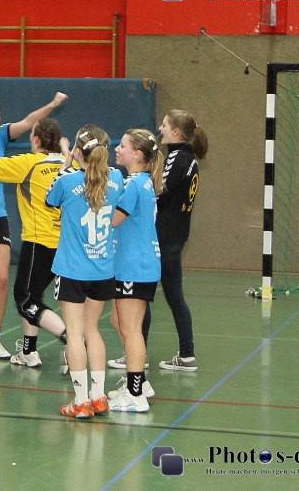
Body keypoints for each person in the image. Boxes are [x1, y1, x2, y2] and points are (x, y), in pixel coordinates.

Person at [0, 90, 69, 360]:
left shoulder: (28, 163)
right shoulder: (67, 164)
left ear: (35, 140)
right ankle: (29, 350)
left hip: (40, 242)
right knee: (37, 295)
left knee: (26, 300)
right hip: (66, 244)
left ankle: (70, 338)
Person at [46, 125, 123, 419]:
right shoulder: (116, 178)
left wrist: (67, 164)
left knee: (75, 334)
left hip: (72, 270)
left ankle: (80, 401)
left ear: (78, 151)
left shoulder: (67, 180)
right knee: (93, 330)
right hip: (102, 269)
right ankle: (99, 396)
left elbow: (50, 200)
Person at [108, 129, 163, 413]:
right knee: (118, 322)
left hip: (135, 266)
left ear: (138, 154)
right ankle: (140, 380)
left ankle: (135, 393)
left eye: (123, 146)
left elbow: (113, 220)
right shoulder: (142, 182)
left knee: (131, 329)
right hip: (132, 264)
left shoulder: (133, 185)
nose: (117, 149)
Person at [154, 110, 208, 372]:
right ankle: (187, 354)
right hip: (176, 234)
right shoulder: (189, 158)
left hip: (165, 236)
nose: (160, 128)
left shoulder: (178, 158)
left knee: (140, 296)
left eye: (164, 125)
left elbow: (160, 193)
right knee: (175, 296)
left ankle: (135, 356)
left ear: (176, 132)